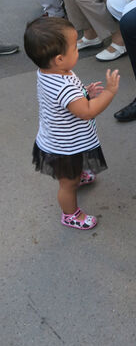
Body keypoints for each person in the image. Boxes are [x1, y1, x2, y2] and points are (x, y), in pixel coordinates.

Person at [24, 17, 120, 230]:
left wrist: (84, 92)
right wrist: (109, 93)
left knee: (73, 173)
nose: (78, 51)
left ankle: (77, 175)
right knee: (68, 184)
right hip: (65, 147)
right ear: (59, 59)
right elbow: (87, 112)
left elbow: (67, 100)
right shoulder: (63, 85)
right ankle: (70, 214)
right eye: (75, 48)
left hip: (61, 138)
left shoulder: (50, 72)